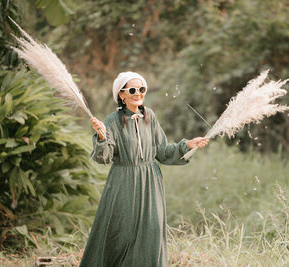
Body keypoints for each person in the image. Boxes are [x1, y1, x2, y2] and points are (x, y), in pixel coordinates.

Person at [79, 71, 209, 266]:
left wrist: (187, 145)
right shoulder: (112, 121)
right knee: (120, 233)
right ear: (121, 95)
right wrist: (102, 137)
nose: (137, 93)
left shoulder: (150, 117)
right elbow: (104, 157)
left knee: (152, 232)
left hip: (151, 183)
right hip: (123, 183)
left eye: (142, 89)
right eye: (132, 89)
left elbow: (163, 152)